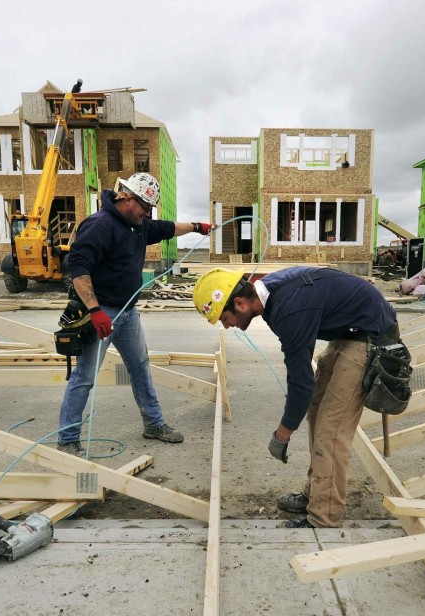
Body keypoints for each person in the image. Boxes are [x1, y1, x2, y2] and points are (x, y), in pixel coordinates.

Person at [192, 266, 400, 528]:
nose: (227, 325)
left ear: (239, 303)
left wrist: (282, 434)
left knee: (331, 428)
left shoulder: (289, 309)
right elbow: (303, 380)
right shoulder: (269, 297)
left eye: (224, 318)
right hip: (348, 332)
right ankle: (315, 492)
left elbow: (300, 384)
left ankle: (324, 516)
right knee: (316, 410)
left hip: (371, 337)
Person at [57, 172, 212, 454]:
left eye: (149, 209)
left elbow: (166, 228)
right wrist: (94, 310)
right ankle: (67, 440)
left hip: (127, 312)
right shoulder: (100, 225)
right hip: (101, 313)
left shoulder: (137, 224)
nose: (147, 214)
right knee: (84, 376)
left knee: (140, 367)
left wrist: (197, 226)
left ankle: (153, 424)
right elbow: (78, 269)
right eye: (144, 207)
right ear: (126, 197)